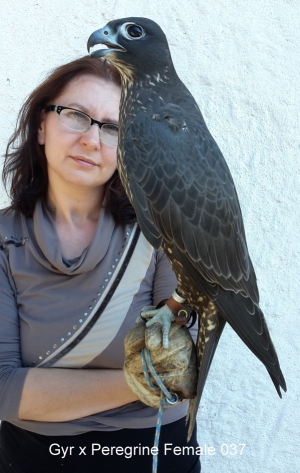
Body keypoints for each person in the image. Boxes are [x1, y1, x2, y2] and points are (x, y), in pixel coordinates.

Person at [0, 56, 200, 473]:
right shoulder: (5, 238)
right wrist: (139, 380)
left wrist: (45, 391)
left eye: (114, 128)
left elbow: (179, 372)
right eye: (76, 116)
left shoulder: (166, 231)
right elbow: (3, 390)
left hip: (154, 453)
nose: (92, 140)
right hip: (34, 458)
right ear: (41, 125)